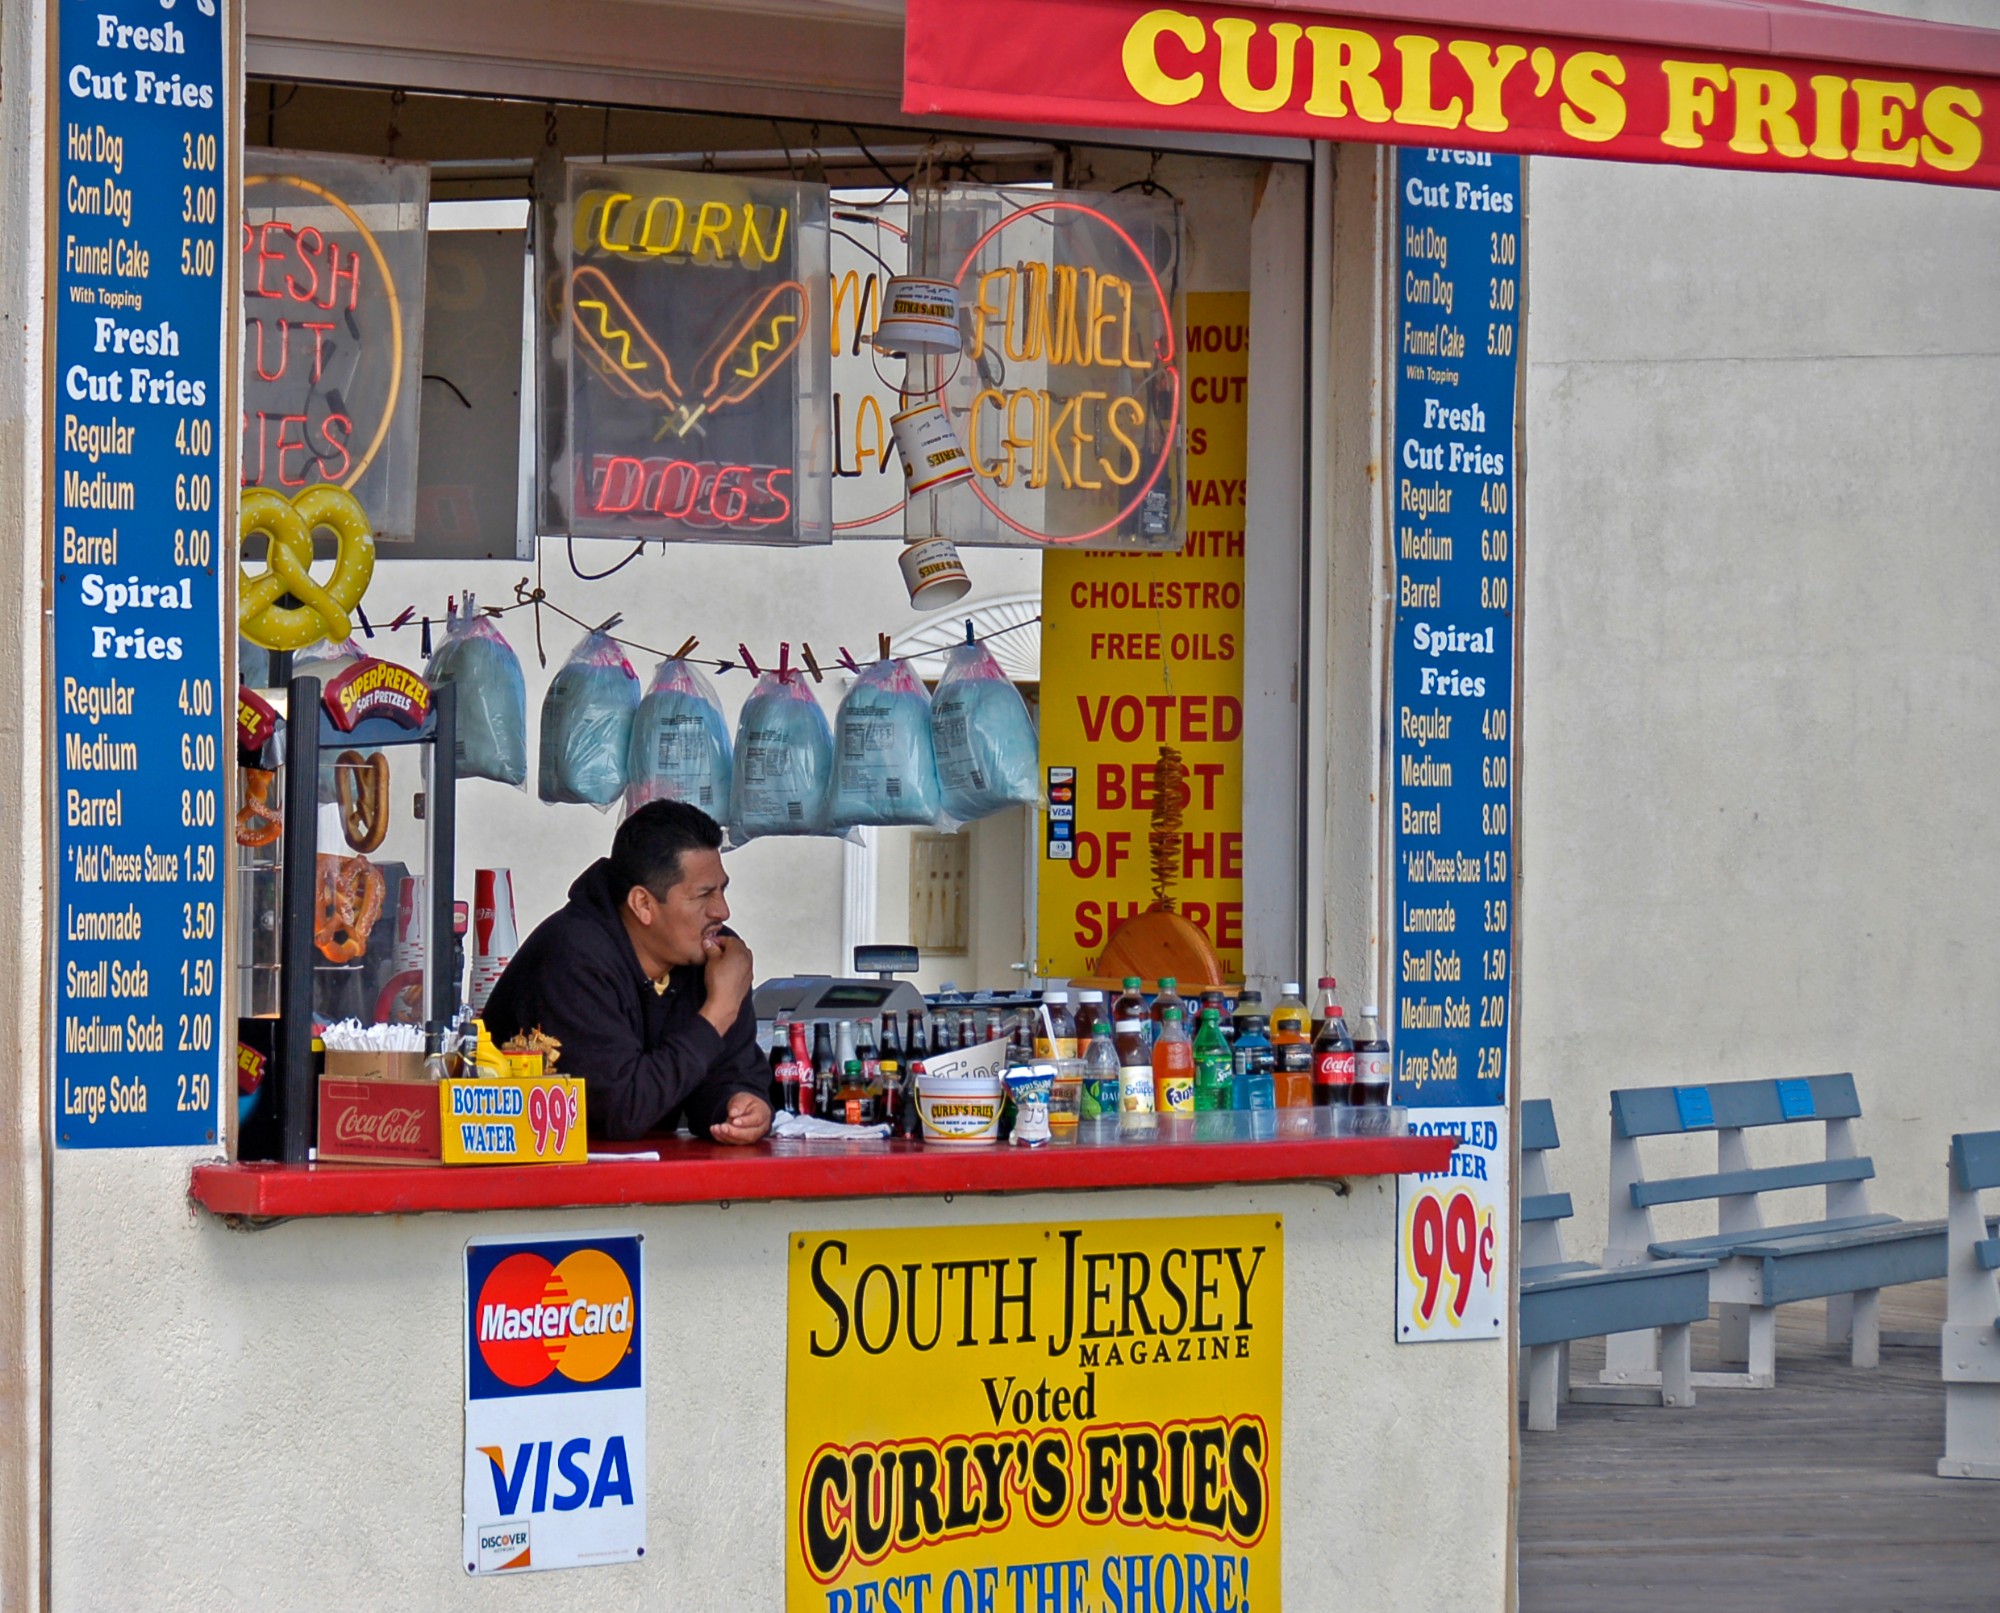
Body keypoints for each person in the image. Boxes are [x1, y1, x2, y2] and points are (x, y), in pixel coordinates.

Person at [482, 801, 773, 1144]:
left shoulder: (715, 957)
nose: (722, 910)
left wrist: (740, 1105)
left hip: (651, 1181)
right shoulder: (573, 956)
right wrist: (719, 1011)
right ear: (643, 905)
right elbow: (622, 1110)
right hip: (532, 1181)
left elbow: (727, 1075)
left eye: (723, 889)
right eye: (704, 894)